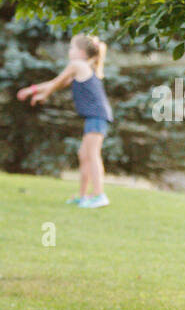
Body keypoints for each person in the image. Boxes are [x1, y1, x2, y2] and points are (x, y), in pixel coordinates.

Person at [17, 34, 113, 208]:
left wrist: (42, 95)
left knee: (92, 155)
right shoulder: (82, 67)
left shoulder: (77, 65)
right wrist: (33, 90)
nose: (69, 51)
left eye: (72, 48)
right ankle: (83, 196)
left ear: (82, 52)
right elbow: (59, 83)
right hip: (94, 117)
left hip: (97, 116)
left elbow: (56, 83)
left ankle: (99, 195)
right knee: (83, 155)